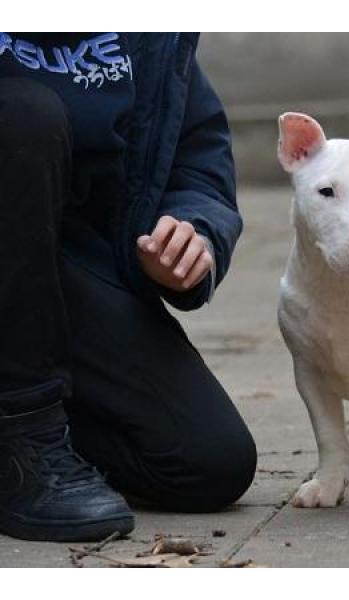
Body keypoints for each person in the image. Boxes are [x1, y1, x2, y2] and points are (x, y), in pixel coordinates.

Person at [0, 32, 257, 542]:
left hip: (69, 271)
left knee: (209, 461)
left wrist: (191, 234)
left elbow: (197, 160)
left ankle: (35, 430)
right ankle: (25, 437)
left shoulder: (146, 31)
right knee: (24, 115)